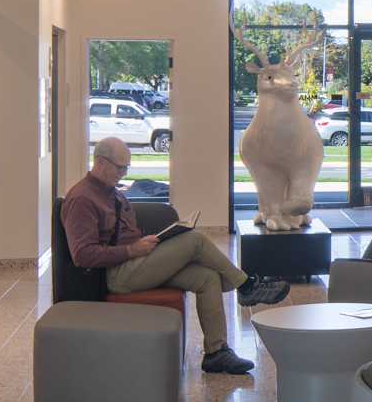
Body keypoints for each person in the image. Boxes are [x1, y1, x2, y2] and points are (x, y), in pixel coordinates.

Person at [63, 137, 290, 373]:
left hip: (134, 264)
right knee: (196, 240)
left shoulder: (112, 193)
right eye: (121, 168)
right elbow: (82, 255)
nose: (124, 173)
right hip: (114, 276)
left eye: (126, 168)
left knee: (207, 277)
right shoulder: (82, 199)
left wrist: (152, 243)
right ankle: (246, 286)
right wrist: (131, 250)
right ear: (100, 162)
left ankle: (216, 352)